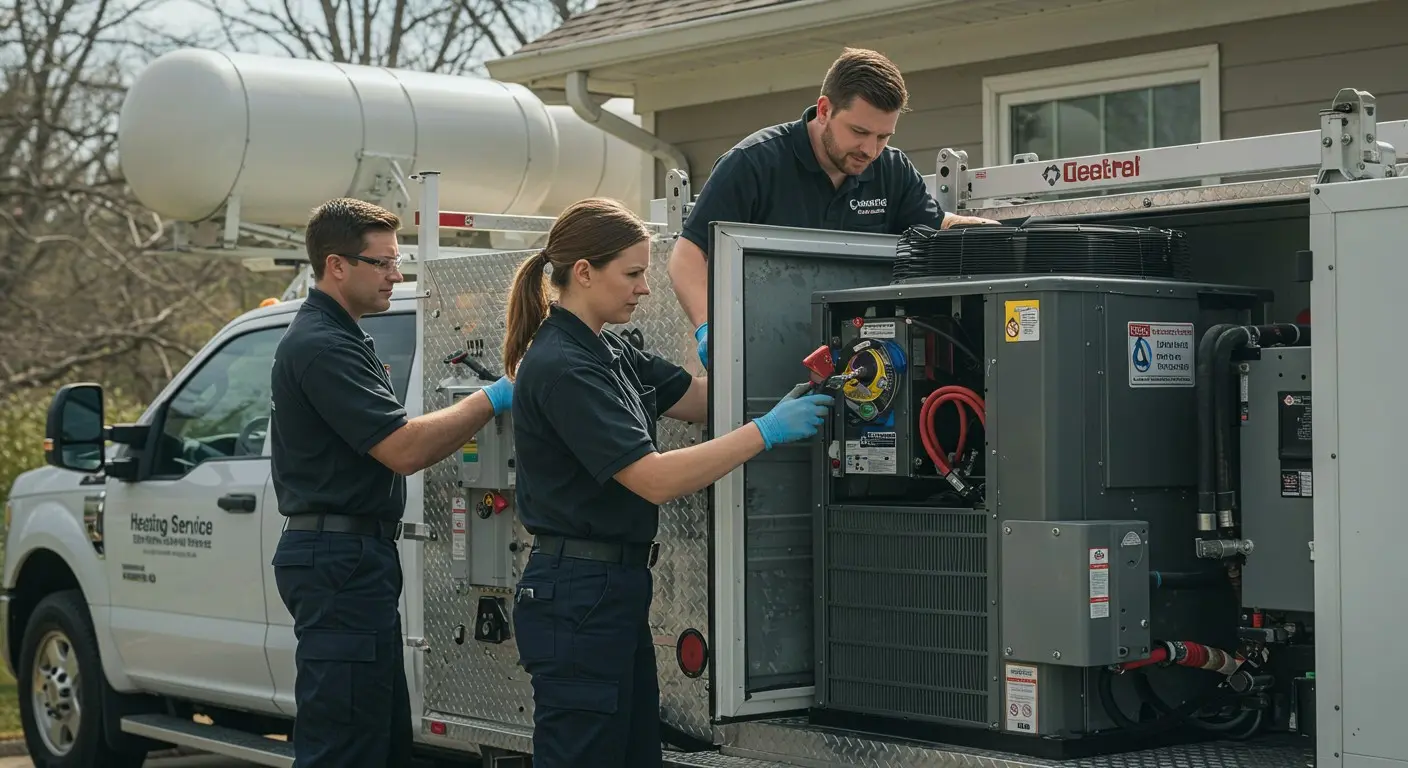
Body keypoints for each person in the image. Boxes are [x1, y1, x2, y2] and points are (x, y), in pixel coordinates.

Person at [503, 197, 832, 767]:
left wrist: (777, 380)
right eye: (632, 274)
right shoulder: (563, 365)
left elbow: (699, 400)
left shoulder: (610, 349)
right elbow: (652, 479)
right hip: (579, 591)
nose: (644, 289)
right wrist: (768, 431)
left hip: (610, 588)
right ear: (584, 272)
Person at [268, 198, 514, 767]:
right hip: (339, 562)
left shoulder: (343, 337)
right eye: (381, 263)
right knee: (345, 744)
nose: (396, 275)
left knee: (377, 739)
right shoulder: (323, 346)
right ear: (336, 266)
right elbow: (403, 448)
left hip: (352, 560)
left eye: (395, 261)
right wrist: (493, 397)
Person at [668, 47, 1001, 366]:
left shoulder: (892, 170)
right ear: (825, 110)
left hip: (867, 363)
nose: (870, 150)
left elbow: (934, 229)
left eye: (884, 137)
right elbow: (687, 256)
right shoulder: (753, 164)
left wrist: (992, 236)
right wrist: (710, 330)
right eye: (859, 131)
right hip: (764, 357)